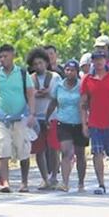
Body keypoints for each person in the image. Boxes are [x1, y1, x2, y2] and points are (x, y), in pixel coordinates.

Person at [80, 49, 109, 194]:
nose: (99, 62)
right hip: (95, 122)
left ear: (105, 60)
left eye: (101, 59)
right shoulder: (87, 79)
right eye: (96, 60)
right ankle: (101, 184)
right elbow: (83, 103)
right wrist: (84, 123)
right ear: (92, 62)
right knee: (97, 153)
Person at [0, 44, 36, 193]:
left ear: (13, 56)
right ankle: (4, 181)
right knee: (3, 146)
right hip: (1, 118)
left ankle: (24, 182)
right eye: (0, 57)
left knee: (23, 149)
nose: (2, 59)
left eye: (5, 56)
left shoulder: (22, 73)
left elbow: (30, 94)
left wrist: (32, 114)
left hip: (21, 117)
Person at [46, 61, 87, 192]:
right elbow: (53, 102)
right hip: (63, 122)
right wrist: (47, 117)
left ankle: (81, 182)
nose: (69, 72)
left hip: (79, 123)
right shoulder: (59, 86)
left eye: (72, 70)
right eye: (67, 70)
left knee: (80, 154)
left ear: (77, 72)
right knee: (66, 152)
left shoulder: (82, 85)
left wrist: (87, 123)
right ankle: (65, 182)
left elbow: (87, 103)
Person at [27, 48, 61, 190]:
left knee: (53, 148)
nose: (38, 66)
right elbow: (28, 95)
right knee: (39, 149)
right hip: (37, 117)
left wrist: (47, 94)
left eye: (40, 63)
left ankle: (54, 176)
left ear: (46, 63)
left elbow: (58, 95)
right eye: (35, 64)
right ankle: (44, 178)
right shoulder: (30, 78)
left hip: (52, 117)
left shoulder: (55, 77)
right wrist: (36, 94)